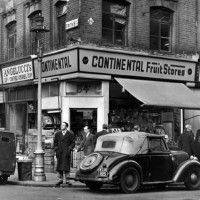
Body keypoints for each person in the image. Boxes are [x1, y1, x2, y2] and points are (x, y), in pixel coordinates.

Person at [53, 122, 75, 187]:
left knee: (66, 166)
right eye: (61, 125)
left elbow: (73, 143)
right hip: (59, 152)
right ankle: (60, 179)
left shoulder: (70, 134)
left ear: (66, 126)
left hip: (66, 152)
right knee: (59, 165)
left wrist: (69, 148)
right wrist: (56, 148)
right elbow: (55, 142)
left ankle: (67, 180)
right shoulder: (57, 134)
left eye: (63, 125)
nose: (62, 126)